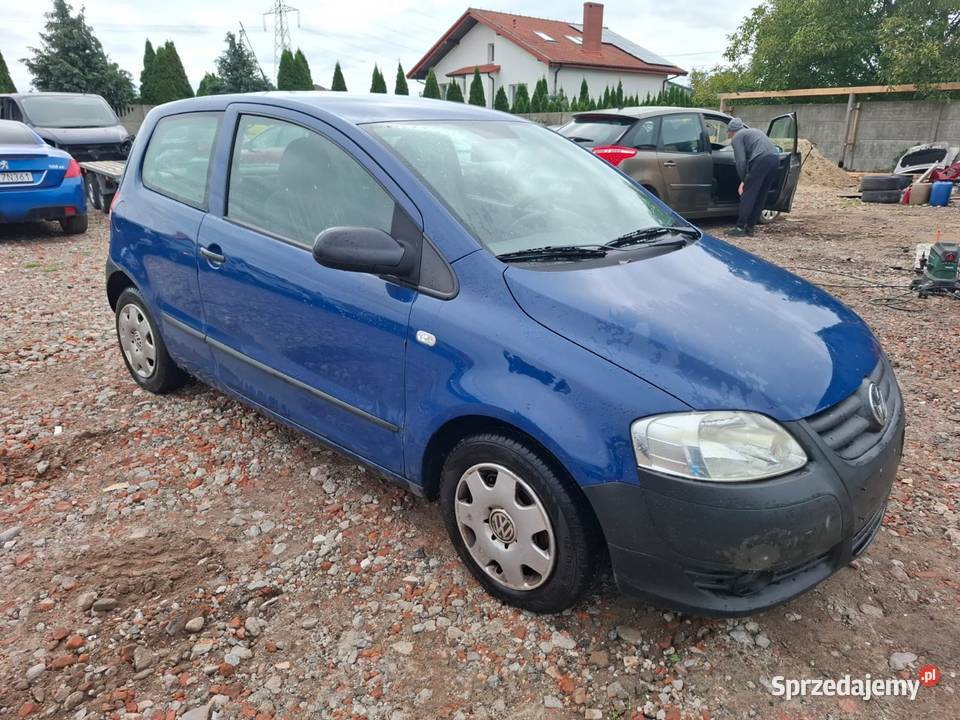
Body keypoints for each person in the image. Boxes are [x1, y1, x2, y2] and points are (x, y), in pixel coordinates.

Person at [726, 117, 780, 236]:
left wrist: (744, 179)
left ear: (731, 131)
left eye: (728, 132)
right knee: (761, 195)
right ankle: (750, 228)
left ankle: (740, 228)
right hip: (775, 159)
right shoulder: (754, 131)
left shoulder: (737, 137)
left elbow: (741, 161)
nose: (728, 134)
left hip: (761, 160)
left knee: (748, 195)